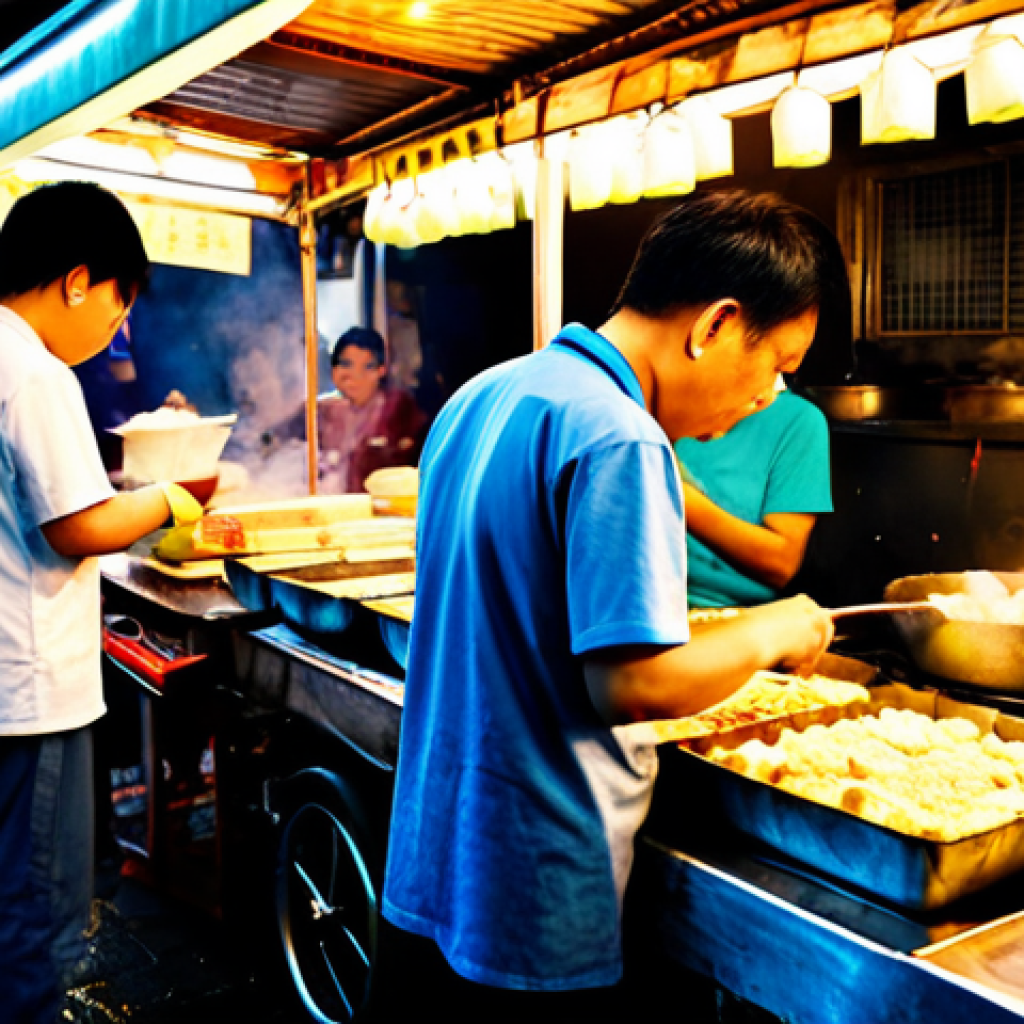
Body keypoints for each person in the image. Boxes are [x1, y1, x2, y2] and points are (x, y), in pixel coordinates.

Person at [373, 191, 837, 1023]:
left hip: (431, 850)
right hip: (534, 879)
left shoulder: (486, 393)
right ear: (717, 325)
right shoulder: (621, 436)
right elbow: (631, 686)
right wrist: (775, 627)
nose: (772, 396)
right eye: (779, 364)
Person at [0, 182, 204, 1023]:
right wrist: (170, 497)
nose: (117, 330)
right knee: (37, 918)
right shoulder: (32, 368)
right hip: (31, 692)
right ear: (77, 280)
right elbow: (76, 525)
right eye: (120, 304)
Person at [675, 377, 832, 609]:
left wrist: (679, 495)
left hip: (727, 616)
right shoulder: (662, 405)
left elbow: (781, 566)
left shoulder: (796, 420)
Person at [315, 327, 426, 492]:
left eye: (367, 367)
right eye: (346, 364)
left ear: (381, 370)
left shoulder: (399, 409)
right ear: (334, 371)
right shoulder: (322, 411)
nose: (355, 375)